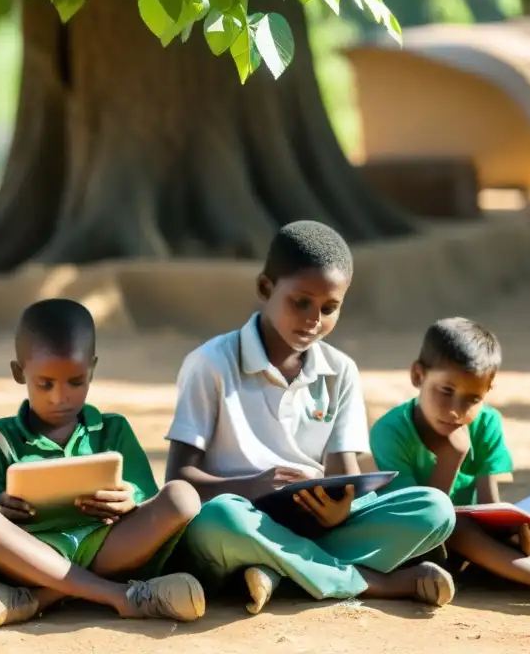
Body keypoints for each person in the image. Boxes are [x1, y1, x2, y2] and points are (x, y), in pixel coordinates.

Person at [164, 220, 457, 614]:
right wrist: (254, 485)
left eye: (329, 308)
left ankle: (278, 575)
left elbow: (343, 474)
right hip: (236, 519)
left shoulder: (341, 371)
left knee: (434, 508)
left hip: (313, 526)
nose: (314, 319)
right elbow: (178, 482)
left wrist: (341, 507)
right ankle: (370, 583)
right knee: (223, 519)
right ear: (265, 289)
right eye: (300, 301)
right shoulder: (211, 364)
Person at [0, 298, 205, 632]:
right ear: (19, 372)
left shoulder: (113, 429)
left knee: (183, 497)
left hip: (105, 547)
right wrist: (0, 507)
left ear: (92, 368)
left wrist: (128, 500)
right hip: (31, 555)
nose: (61, 397)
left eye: (76, 382)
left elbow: (147, 498)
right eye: (45, 384)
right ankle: (119, 596)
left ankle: (41, 598)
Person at [370, 317, 530, 611]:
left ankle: (513, 567)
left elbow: (490, 505)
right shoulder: (390, 431)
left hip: (478, 542)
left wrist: (518, 531)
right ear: (418, 376)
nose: (455, 411)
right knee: (454, 522)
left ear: (488, 391)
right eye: (446, 391)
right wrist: (451, 458)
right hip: (423, 546)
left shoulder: (487, 422)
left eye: (472, 399)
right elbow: (421, 517)